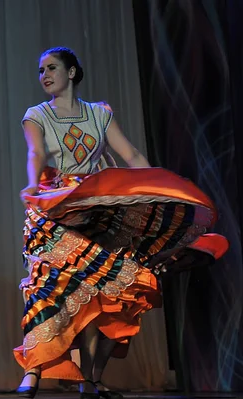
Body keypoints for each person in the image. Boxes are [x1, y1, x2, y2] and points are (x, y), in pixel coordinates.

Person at [14, 47, 228, 399]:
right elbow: (35, 153)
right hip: (55, 205)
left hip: (98, 205)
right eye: (40, 71)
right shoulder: (36, 115)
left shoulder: (99, 114)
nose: (44, 75)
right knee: (47, 286)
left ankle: (91, 379)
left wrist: (158, 188)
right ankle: (33, 371)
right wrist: (33, 183)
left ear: (71, 72)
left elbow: (130, 155)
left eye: (51, 68)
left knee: (110, 291)